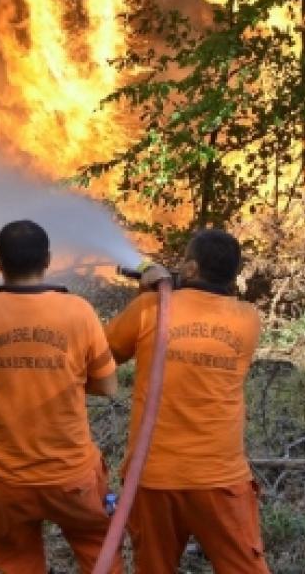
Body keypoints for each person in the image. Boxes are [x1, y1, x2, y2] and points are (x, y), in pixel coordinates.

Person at [0, 220, 122, 574]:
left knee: (17, 563)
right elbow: (108, 386)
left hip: (5, 481)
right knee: (98, 549)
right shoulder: (79, 311)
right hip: (73, 478)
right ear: (48, 259)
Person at [106, 229, 269, 574]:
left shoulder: (149, 308)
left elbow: (105, 355)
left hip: (153, 477)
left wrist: (148, 293)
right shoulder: (248, 319)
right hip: (220, 478)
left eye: (184, 262)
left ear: (192, 268)